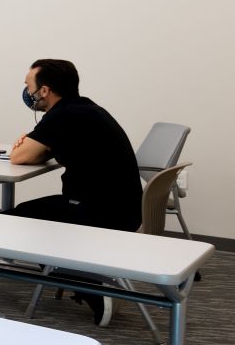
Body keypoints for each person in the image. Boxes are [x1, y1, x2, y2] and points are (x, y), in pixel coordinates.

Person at [8, 59, 142, 323]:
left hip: (98, 212)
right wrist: (32, 145)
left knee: (14, 224)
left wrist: (24, 144)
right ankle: (82, 275)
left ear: (44, 90)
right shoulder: (85, 109)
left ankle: (92, 288)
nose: (27, 92)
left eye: (28, 85)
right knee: (27, 214)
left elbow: (19, 157)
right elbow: (38, 153)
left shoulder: (62, 115)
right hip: (121, 208)